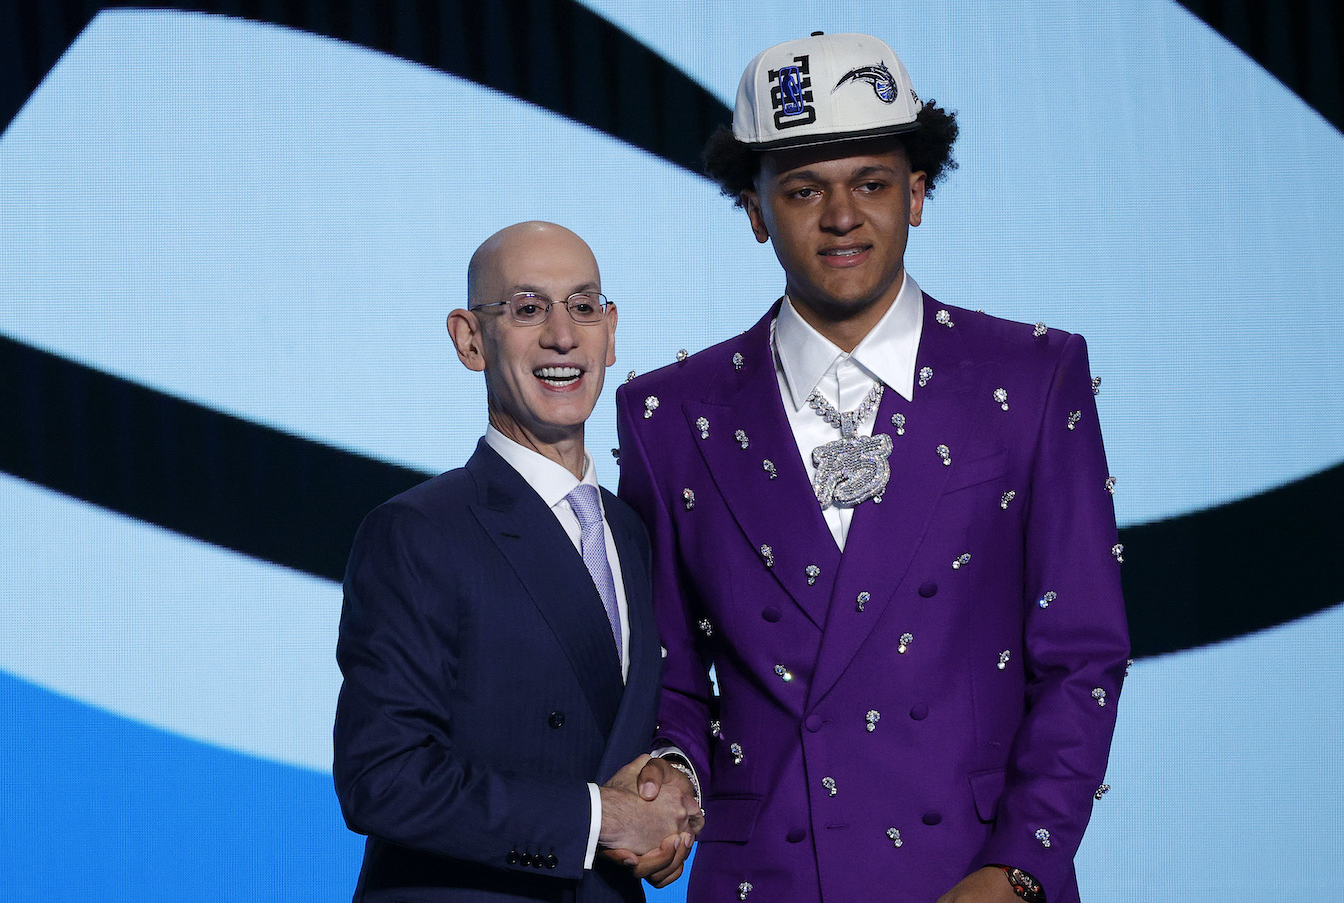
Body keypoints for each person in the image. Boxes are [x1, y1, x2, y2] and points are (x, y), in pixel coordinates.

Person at [616, 33, 1129, 903]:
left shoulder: (1030, 379)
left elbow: (1082, 654)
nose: (842, 215)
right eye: (805, 189)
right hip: (765, 879)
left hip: (972, 877)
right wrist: (673, 781)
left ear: (918, 192)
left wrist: (1016, 873)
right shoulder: (672, 415)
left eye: (872, 183)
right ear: (753, 208)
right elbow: (668, 674)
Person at [334, 221, 700, 902]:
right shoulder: (417, 531)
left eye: (584, 306)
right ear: (470, 339)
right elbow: (380, 777)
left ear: (611, 330)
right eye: (528, 308)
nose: (563, 335)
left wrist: (668, 790)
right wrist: (599, 817)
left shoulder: (631, 531)